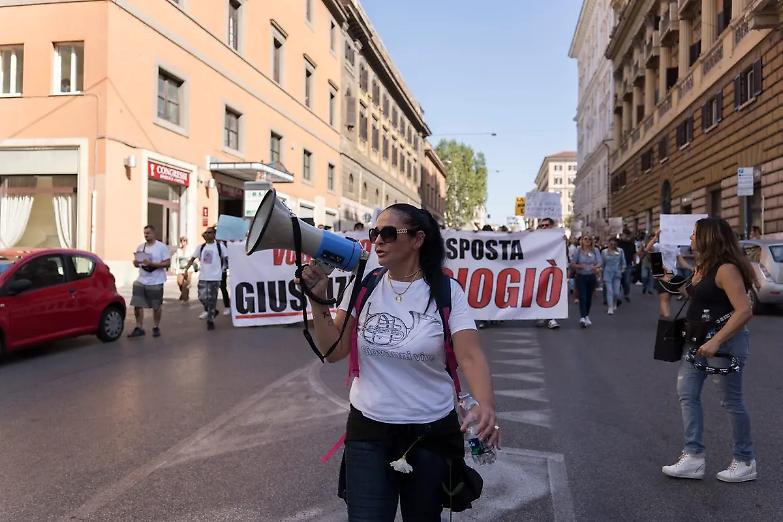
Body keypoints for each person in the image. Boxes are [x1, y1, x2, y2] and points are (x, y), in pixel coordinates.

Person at [300, 204, 499, 521]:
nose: (378, 240)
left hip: (430, 434)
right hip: (368, 431)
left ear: (418, 239)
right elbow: (334, 351)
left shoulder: (447, 291)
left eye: (389, 233)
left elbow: (470, 355)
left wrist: (485, 404)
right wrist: (317, 299)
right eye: (375, 233)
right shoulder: (364, 282)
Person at [661, 217, 756, 483]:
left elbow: (744, 311)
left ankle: (745, 460)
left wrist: (716, 341)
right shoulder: (704, 265)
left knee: (731, 401)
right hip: (697, 340)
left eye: (695, 233)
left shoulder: (726, 269)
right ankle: (693, 457)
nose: (691, 237)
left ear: (709, 237)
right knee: (687, 395)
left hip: (724, 343)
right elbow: (697, 294)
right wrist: (668, 278)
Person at [128, 225, 171, 338]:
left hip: (156, 281)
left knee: (156, 306)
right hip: (141, 280)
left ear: (154, 233)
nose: (146, 235)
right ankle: (139, 327)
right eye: (145, 233)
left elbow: (167, 263)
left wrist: (153, 264)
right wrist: (136, 263)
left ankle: (156, 327)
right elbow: (137, 262)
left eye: (148, 233)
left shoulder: (161, 247)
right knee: (137, 304)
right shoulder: (141, 247)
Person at [184, 227, 225, 331]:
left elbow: (226, 258)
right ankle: (212, 310)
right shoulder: (201, 247)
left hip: (215, 277)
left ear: (214, 235)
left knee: (212, 299)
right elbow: (192, 258)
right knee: (201, 297)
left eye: (209, 232)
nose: (207, 234)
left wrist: (223, 269)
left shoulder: (220, 246)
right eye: (206, 233)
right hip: (203, 276)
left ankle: (210, 320)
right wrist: (186, 269)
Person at [571, 235, 602, 327]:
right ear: (582, 241)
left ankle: (586, 315)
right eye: (585, 239)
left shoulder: (595, 250)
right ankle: (582, 317)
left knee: (589, 298)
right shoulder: (578, 250)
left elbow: (600, 262)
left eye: (589, 239)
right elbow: (573, 263)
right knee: (583, 297)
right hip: (581, 276)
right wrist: (580, 266)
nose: (587, 240)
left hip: (591, 276)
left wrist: (595, 267)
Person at [535, 218, 560, 329]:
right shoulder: (533, 237)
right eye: (542, 226)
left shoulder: (558, 239)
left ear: (552, 226)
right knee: (540, 293)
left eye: (546, 225)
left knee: (552, 293)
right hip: (538, 270)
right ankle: (543, 315)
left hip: (552, 270)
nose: (544, 227)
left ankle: (551, 317)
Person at [601, 238, 626, 315]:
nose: (612, 246)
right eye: (611, 244)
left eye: (614, 244)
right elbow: (602, 264)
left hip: (617, 273)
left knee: (616, 292)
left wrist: (622, 269)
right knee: (609, 291)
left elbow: (623, 262)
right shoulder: (604, 252)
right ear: (608, 244)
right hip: (607, 273)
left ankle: (615, 302)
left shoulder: (620, 251)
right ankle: (610, 307)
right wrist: (601, 274)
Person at [617, 229, 636, 302]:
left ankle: (626, 294)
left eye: (628, 235)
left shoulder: (632, 244)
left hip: (628, 265)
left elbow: (634, 254)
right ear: (622, 235)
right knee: (618, 280)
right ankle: (618, 295)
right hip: (618, 265)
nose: (627, 237)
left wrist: (634, 263)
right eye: (625, 235)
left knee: (627, 281)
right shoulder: (618, 243)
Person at [174, 236, 191, 302]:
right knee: (179, 282)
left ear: (186, 242)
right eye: (181, 241)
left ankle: (185, 297)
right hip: (180, 268)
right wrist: (175, 268)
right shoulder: (179, 250)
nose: (182, 242)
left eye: (184, 241)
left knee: (186, 283)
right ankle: (183, 294)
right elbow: (176, 259)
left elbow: (193, 258)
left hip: (188, 269)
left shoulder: (190, 250)